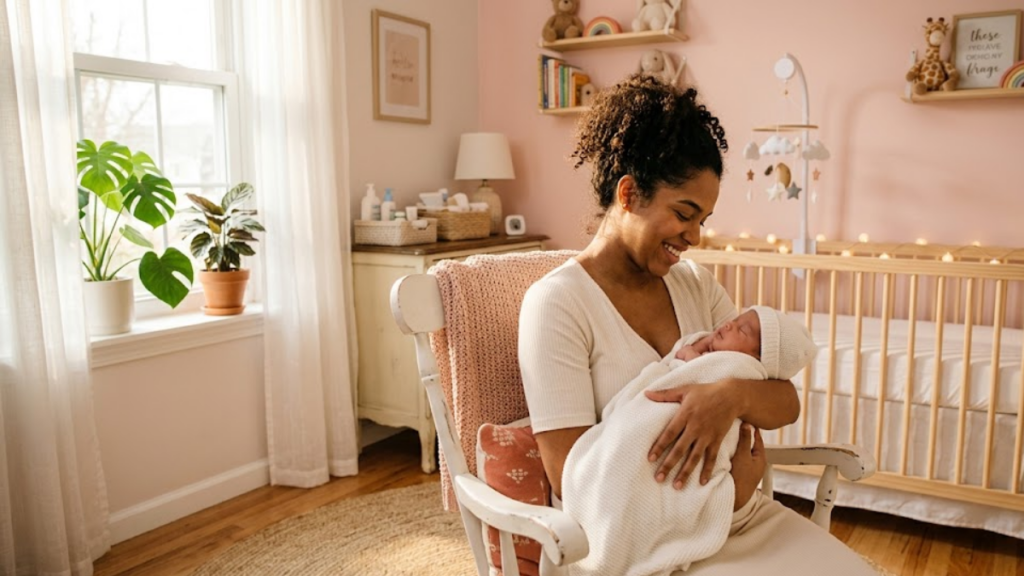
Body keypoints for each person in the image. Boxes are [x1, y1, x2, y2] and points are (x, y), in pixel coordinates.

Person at [518, 74, 877, 575]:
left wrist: (730, 397)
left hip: (734, 515)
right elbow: (568, 476)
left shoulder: (694, 286)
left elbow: (784, 401)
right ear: (629, 193)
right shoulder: (558, 304)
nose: (696, 236)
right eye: (684, 214)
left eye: (703, 219)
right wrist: (718, 497)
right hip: (639, 538)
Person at [561, 306, 819, 575]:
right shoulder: (563, 304)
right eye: (735, 321)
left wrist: (729, 391)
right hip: (631, 444)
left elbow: (787, 402)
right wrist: (688, 357)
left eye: (742, 329)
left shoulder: (736, 363)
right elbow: (680, 373)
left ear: (758, 358)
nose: (728, 325)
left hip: (714, 495)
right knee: (622, 464)